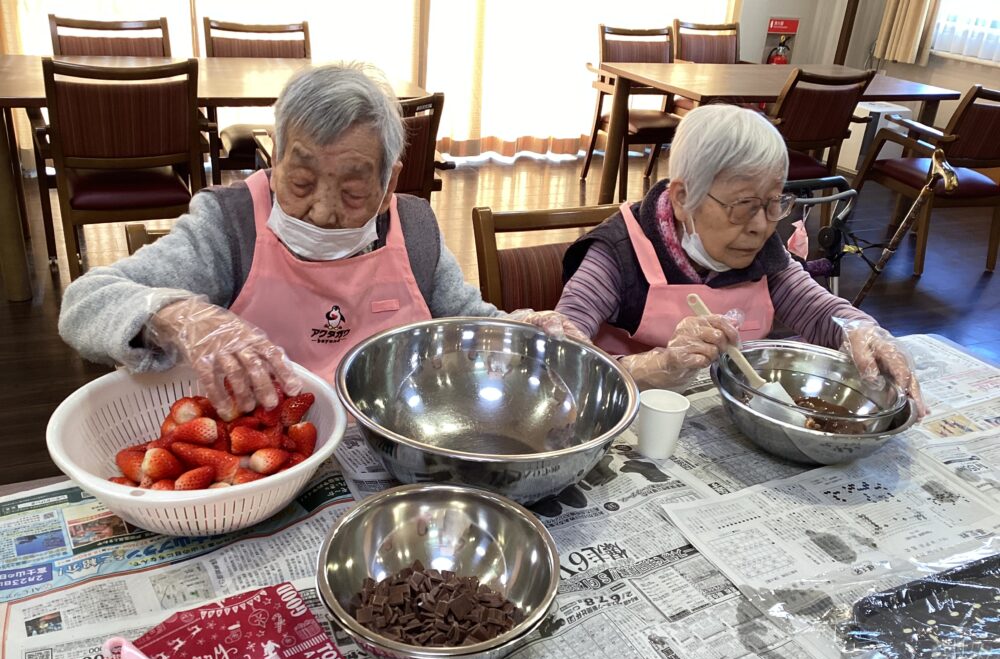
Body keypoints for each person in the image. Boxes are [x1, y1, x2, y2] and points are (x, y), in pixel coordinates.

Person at [59, 63, 571, 420]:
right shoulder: (227, 228)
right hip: (264, 459)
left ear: (390, 182)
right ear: (275, 158)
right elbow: (85, 302)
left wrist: (523, 326)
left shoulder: (414, 229)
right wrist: (178, 315)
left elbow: (465, 318)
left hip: (385, 450)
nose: (323, 212)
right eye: (301, 183)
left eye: (352, 190)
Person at [556, 104, 926, 416]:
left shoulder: (764, 252)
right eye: (744, 206)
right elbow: (563, 357)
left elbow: (822, 313)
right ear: (683, 198)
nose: (762, 227)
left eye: (774, 204)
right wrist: (658, 366)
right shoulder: (617, 253)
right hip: (628, 415)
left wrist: (866, 334)